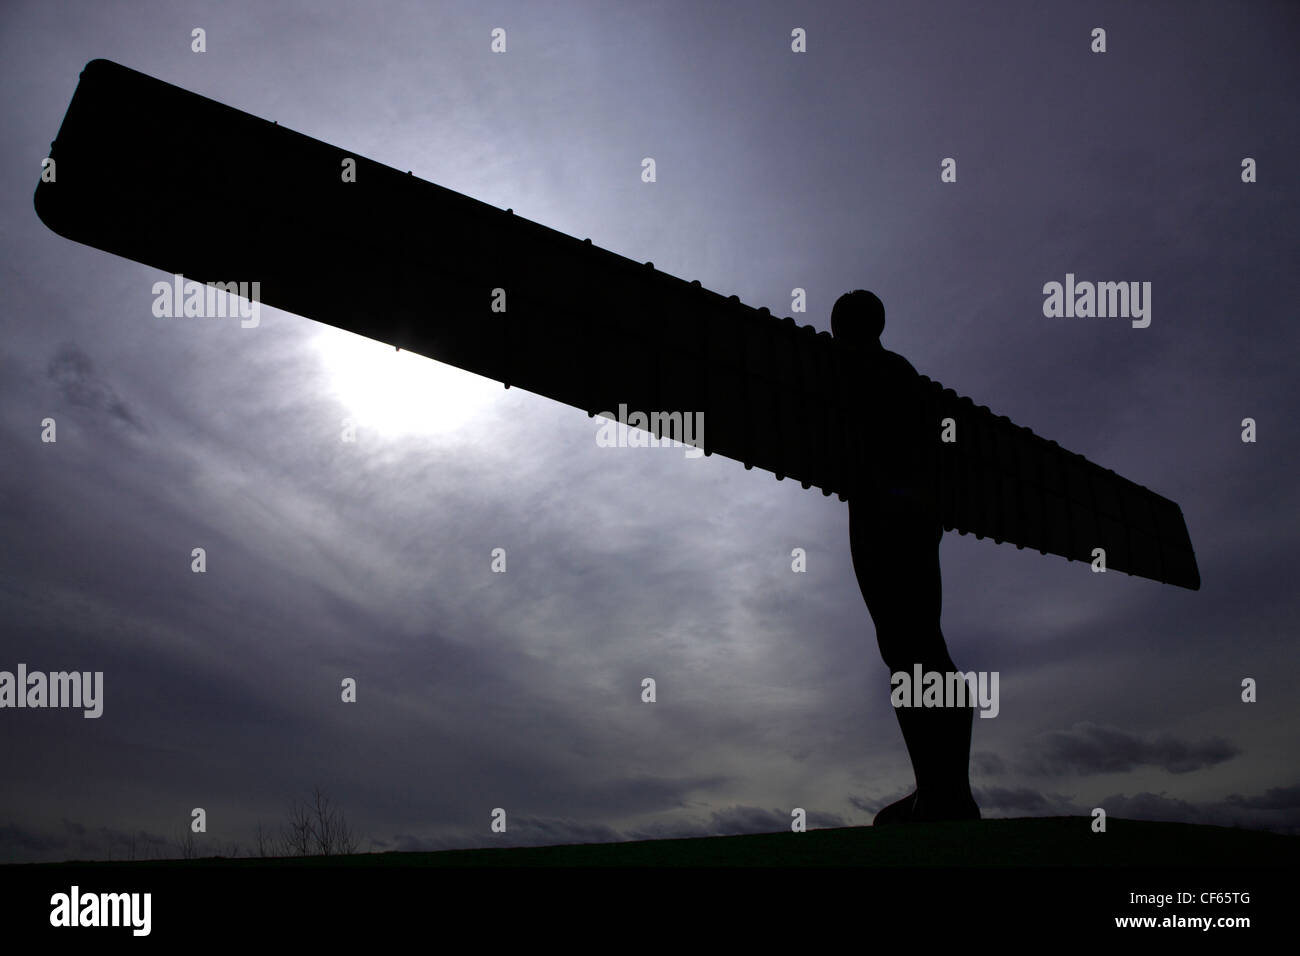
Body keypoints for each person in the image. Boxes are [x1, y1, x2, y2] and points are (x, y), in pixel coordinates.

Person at [832, 289, 980, 824]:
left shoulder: (865, 371)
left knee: (913, 645)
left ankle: (946, 793)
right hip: (906, 516)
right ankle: (939, 789)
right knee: (909, 647)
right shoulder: (903, 376)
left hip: (889, 516)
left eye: (838, 323)